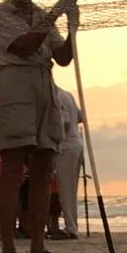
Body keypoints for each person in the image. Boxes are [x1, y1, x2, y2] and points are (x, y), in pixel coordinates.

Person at [0, 0, 76, 253]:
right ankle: (9, 250)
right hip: (14, 82)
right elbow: (24, 45)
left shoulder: (40, 16)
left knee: (43, 166)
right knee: (13, 168)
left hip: (43, 82)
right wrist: (55, 14)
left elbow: (62, 57)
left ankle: (38, 248)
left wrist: (73, 27)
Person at [51, 82, 84, 239]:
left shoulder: (55, 96)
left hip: (65, 146)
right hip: (76, 143)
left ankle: (71, 227)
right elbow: (79, 116)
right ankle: (73, 225)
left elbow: (65, 123)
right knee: (71, 189)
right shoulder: (67, 94)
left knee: (65, 189)